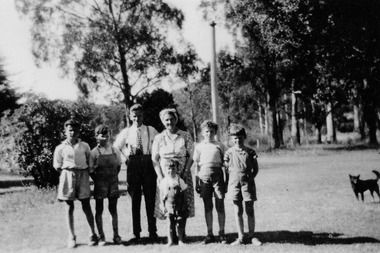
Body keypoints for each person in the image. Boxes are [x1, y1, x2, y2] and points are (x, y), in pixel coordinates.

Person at [113, 104, 158, 240]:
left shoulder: (151, 130)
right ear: (130, 117)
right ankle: (136, 232)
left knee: (150, 198)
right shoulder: (126, 132)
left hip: (148, 163)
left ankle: (152, 231)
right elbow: (116, 147)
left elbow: (158, 145)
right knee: (134, 199)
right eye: (134, 116)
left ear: (143, 115)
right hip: (133, 164)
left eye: (139, 116)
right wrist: (124, 159)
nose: (137, 118)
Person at [53, 119, 98, 248]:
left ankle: (92, 234)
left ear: (79, 131)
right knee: (69, 206)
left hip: (83, 174)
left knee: (86, 205)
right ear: (65, 131)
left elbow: (89, 161)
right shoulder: (60, 148)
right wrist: (68, 171)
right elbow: (57, 165)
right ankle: (71, 236)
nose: (72, 132)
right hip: (67, 175)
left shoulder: (84, 146)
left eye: (75, 130)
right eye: (70, 130)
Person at [152, 108, 195, 242]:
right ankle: (172, 236)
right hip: (166, 176)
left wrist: (185, 172)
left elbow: (191, 156)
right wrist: (160, 176)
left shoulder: (185, 135)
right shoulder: (159, 137)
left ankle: (182, 235)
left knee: (182, 203)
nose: (169, 122)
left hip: (182, 174)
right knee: (168, 203)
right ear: (163, 122)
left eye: (172, 119)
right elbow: (154, 159)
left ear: (176, 119)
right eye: (167, 120)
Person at [224, 124, 262, 246]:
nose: (237, 140)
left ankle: (251, 236)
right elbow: (226, 169)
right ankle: (240, 237)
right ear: (231, 139)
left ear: (244, 137)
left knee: (249, 209)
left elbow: (255, 169)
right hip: (234, 184)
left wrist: (249, 179)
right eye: (235, 138)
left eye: (240, 137)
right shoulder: (229, 152)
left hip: (247, 183)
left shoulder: (250, 151)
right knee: (237, 210)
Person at [193, 120, 227, 244]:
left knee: (220, 204)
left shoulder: (220, 145)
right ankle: (209, 233)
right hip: (203, 176)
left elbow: (225, 164)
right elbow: (196, 165)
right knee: (207, 205)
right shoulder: (199, 146)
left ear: (215, 132)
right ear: (202, 133)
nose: (209, 134)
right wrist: (197, 181)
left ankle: (222, 233)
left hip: (217, 176)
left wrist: (226, 180)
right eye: (206, 131)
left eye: (212, 132)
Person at [89, 125, 122, 245]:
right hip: (100, 184)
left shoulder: (115, 150)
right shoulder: (93, 152)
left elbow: (118, 166)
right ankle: (101, 236)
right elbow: (91, 170)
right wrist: (99, 180)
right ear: (97, 137)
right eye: (102, 136)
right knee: (99, 209)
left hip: (113, 183)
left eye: (107, 135)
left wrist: (112, 177)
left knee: (113, 209)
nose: (105, 138)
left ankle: (116, 235)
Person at [159, 159, 188, 246]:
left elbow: (185, 193)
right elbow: (161, 195)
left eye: (173, 168)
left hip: (179, 205)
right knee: (170, 224)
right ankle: (170, 241)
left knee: (180, 224)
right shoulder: (164, 181)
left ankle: (181, 240)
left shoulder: (179, 180)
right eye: (169, 169)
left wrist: (184, 204)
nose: (171, 171)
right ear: (165, 170)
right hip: (169, 205)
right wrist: (163, 207)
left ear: (177, 169)